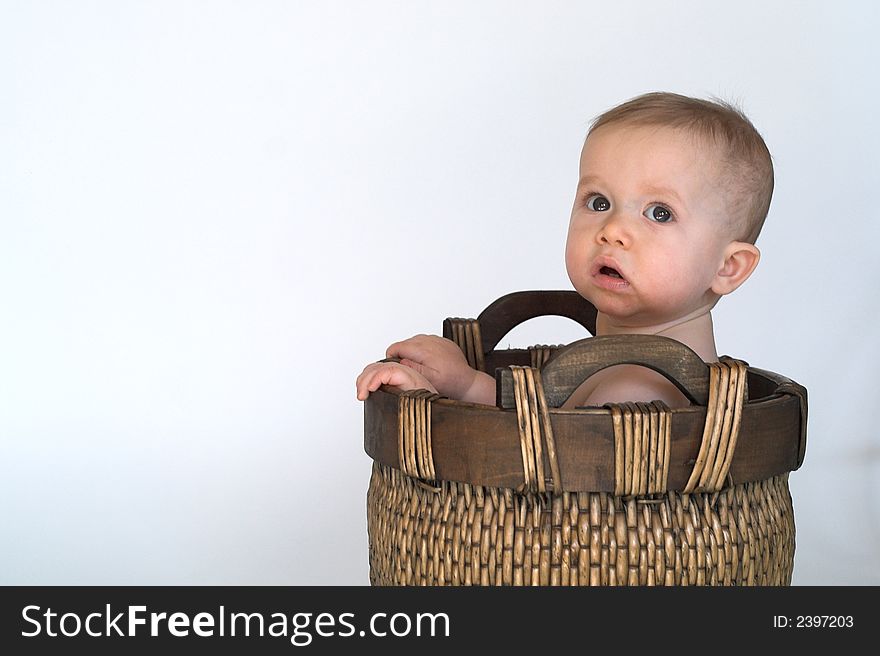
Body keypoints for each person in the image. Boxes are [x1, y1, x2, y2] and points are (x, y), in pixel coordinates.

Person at [355, 92, 773, 409]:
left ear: (729, 267)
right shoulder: (604, 366)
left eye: (659, 213)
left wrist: (453, 401)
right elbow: (543, 426)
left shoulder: (645, 393)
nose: (612, 230)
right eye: (599, 202)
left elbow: (540, 470)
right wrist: (464, 385)